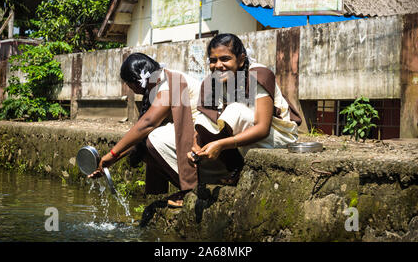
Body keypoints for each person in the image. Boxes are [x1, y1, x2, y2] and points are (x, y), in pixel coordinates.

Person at [88, 52, 202, 207]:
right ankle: (187, 189)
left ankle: (193, 189)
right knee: (143, 149)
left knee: (154, 139)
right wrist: (109, 162)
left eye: (129, 85)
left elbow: (148, 123)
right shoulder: (157, 86)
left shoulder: (169, 82)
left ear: (136, 82)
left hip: (203, 137)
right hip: (192, 140)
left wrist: (112, 154)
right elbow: (139, 138)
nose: (130, 89)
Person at [187, 33, 301, 185]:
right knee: (202, 119)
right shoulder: (212, 82)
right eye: (213, 60)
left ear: (241, 60)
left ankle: (239, 168)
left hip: (277, 135)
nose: (218, 65)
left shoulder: (257, 74)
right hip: (244, 132)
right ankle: (235, 168)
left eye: (225, 59)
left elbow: (262, 128)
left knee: (234, 111)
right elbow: (206, 120)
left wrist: (220, 145)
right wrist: (196, 144)